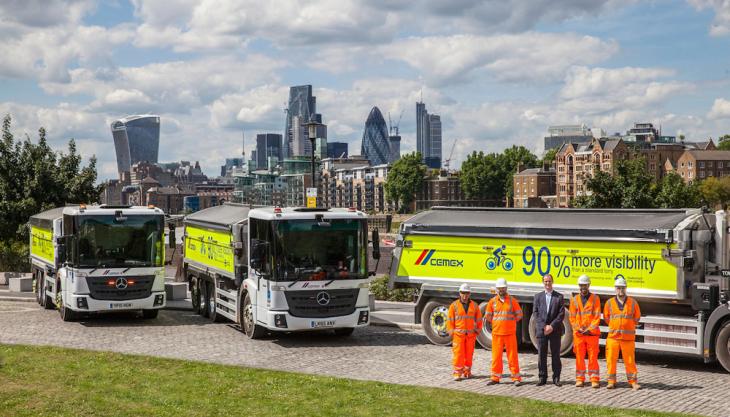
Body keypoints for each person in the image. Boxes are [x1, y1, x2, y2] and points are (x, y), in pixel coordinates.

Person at [604, 276, 641, 390]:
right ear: (615, 289)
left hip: (628, 338)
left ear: (626, 288)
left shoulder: (633, 302)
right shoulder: (609, 303)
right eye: (618, 288)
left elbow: (637, 317)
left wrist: (627, 325)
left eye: (622, 288)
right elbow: (606, 318)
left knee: (630, 361)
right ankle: (611, 381)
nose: (620, 290)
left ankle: (633, 382)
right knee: (611, 359)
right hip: (613, 337)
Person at [484, 277, 523, 386]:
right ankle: (495, 378)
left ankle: (516, 378)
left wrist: (510, 323)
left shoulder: (512, 300)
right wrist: (496, 323)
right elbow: (487, 316)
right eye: (499, 288)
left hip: (510, 333)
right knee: (496, 357)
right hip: (497, 334)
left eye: (503, 288)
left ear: (506, 288)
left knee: (512, 356)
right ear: (496, 289)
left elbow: (519, 314)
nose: (501, 290)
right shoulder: (492, 302)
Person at [569, 274, 601, 388]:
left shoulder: (595, 299)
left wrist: (589, 329)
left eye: (585, 285)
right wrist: (579, 328)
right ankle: (580, 379)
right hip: (579, 334)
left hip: (591, 334)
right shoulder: (574, 300)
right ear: (579, 286)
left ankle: (594, 379)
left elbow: (597, 317)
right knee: (579, 357)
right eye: (581, 285)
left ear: (589, 285)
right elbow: (572, 317)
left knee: (593, 357)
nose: (583, 287)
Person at [533, 273, 564, 386]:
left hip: (554, 330)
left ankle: (556, 378)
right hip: (542, 330)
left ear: (552, 282)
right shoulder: (538, 297)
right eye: (545, 281)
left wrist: (551, 326)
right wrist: (543, 326)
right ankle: (542, 378)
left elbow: (561, 314)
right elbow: (535, 313)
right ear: (543, 282)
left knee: (555, 354)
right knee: (542, 354)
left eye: (549, 281)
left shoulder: (559, 297)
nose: (547, 283)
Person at [447, 283, 482, 381]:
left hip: (470, 335)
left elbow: (479, 319)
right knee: (458, 355)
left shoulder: (474, 305)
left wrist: (477, 331)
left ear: (469, 293)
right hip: (458, 335)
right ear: (459, 293)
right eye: (463, 293)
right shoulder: (454, 306)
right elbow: (450, 320)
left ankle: (467, 372)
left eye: (466, 293)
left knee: (469, 355)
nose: (465, 295)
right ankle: (457, 373)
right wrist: (452, 332)